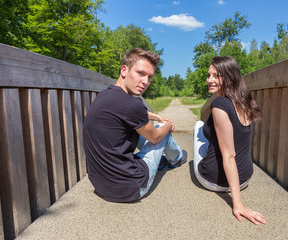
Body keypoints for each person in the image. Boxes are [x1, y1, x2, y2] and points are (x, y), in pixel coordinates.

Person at [83, 48, 187, 203]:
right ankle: (176, 158)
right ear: (124, 70)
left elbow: (134, 114)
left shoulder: (106, 95)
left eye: (150, 77)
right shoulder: (131, 104)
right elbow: (156, 137)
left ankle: (163, 160)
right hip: (131, 187)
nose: (146, 82)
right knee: (161, 133)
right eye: (140, 73)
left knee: (141, 127)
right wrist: (166, 124)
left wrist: (157, 116)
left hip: (101, 185)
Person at [193, 56, 266, 225]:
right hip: (246, 177)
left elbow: (229, 156)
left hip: (214, 181)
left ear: (229, 77)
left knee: (198, 126)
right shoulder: (247, 101)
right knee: (211, 135)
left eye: (216, 75)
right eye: (208, 75)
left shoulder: (219, 104)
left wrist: (238, 204)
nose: (209, 80)